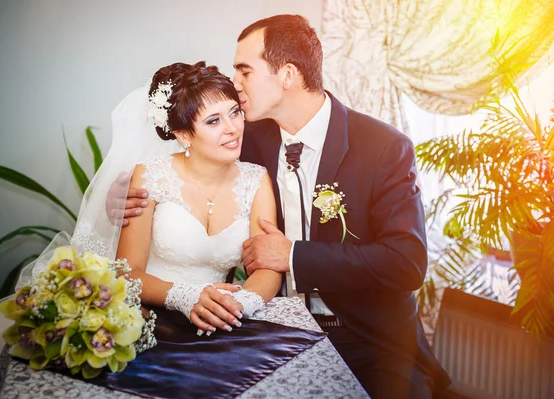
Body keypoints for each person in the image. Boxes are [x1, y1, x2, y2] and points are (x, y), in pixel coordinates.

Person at [124, 15, 450, 399]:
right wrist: (121, 193)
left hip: (368, 337)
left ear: (288, 74)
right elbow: (187, 161)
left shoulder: (383, 148)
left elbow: (407, 263)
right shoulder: (247, 135)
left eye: (244, 71)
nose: (235, 84)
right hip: (272, 326)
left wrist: (293, 255)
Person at [112, 61, 282, 335]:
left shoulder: (256, 179)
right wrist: (184, 296)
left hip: (220, 322)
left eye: (234, 113)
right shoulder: (151, 175)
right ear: (183, 134)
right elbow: (127, 272)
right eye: (213, 121)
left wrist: (241, 302)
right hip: (149, 319)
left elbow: (267, 267)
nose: (232, 128)